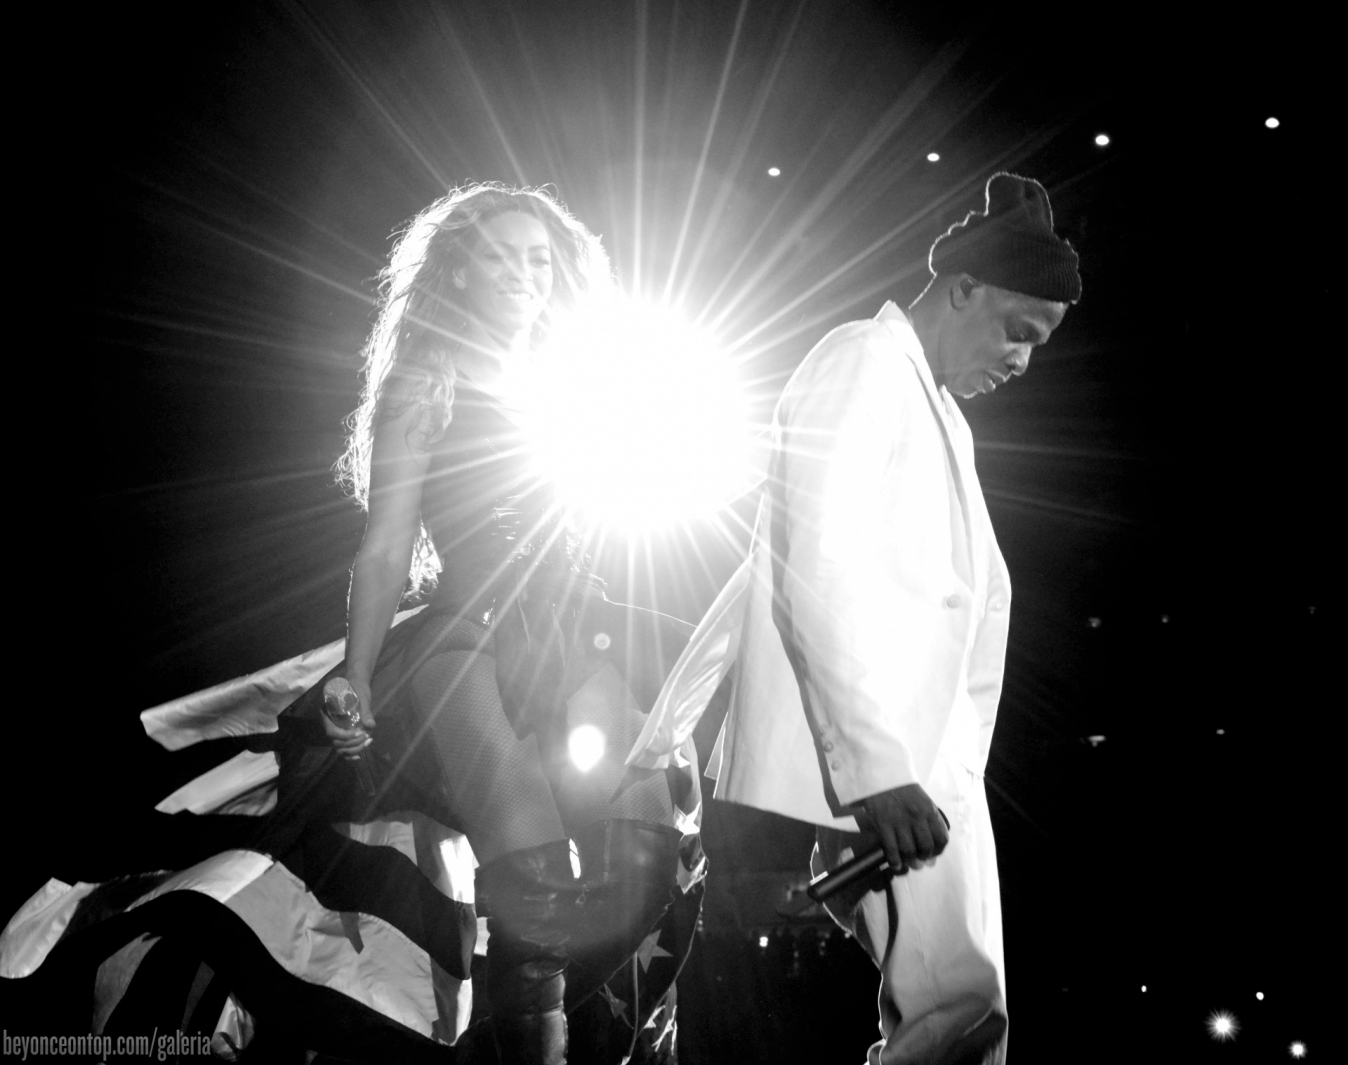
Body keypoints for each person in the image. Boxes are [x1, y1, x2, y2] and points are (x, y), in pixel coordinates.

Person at [295, 182, 700, 1065]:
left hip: (577, 638)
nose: (524, 273)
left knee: (653, 854)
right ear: (458, 270)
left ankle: (501, 1029)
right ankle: (524, 1038)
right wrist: (356, 675)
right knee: (536, 878)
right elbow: (385, 545)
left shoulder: (577, 385)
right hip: (462, 640)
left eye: (539, 259)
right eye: (500, 256)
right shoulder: (426, 378)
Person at [705, 173, 1080, 1064]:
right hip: (893, 759)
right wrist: (877, 769)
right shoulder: (862, 361)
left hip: (930, 761)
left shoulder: (939, 407)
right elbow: (819, 566)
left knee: (963, 1012)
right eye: (1019, 333)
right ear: (964, 290)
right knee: (956, 1010)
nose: (1024, 361)